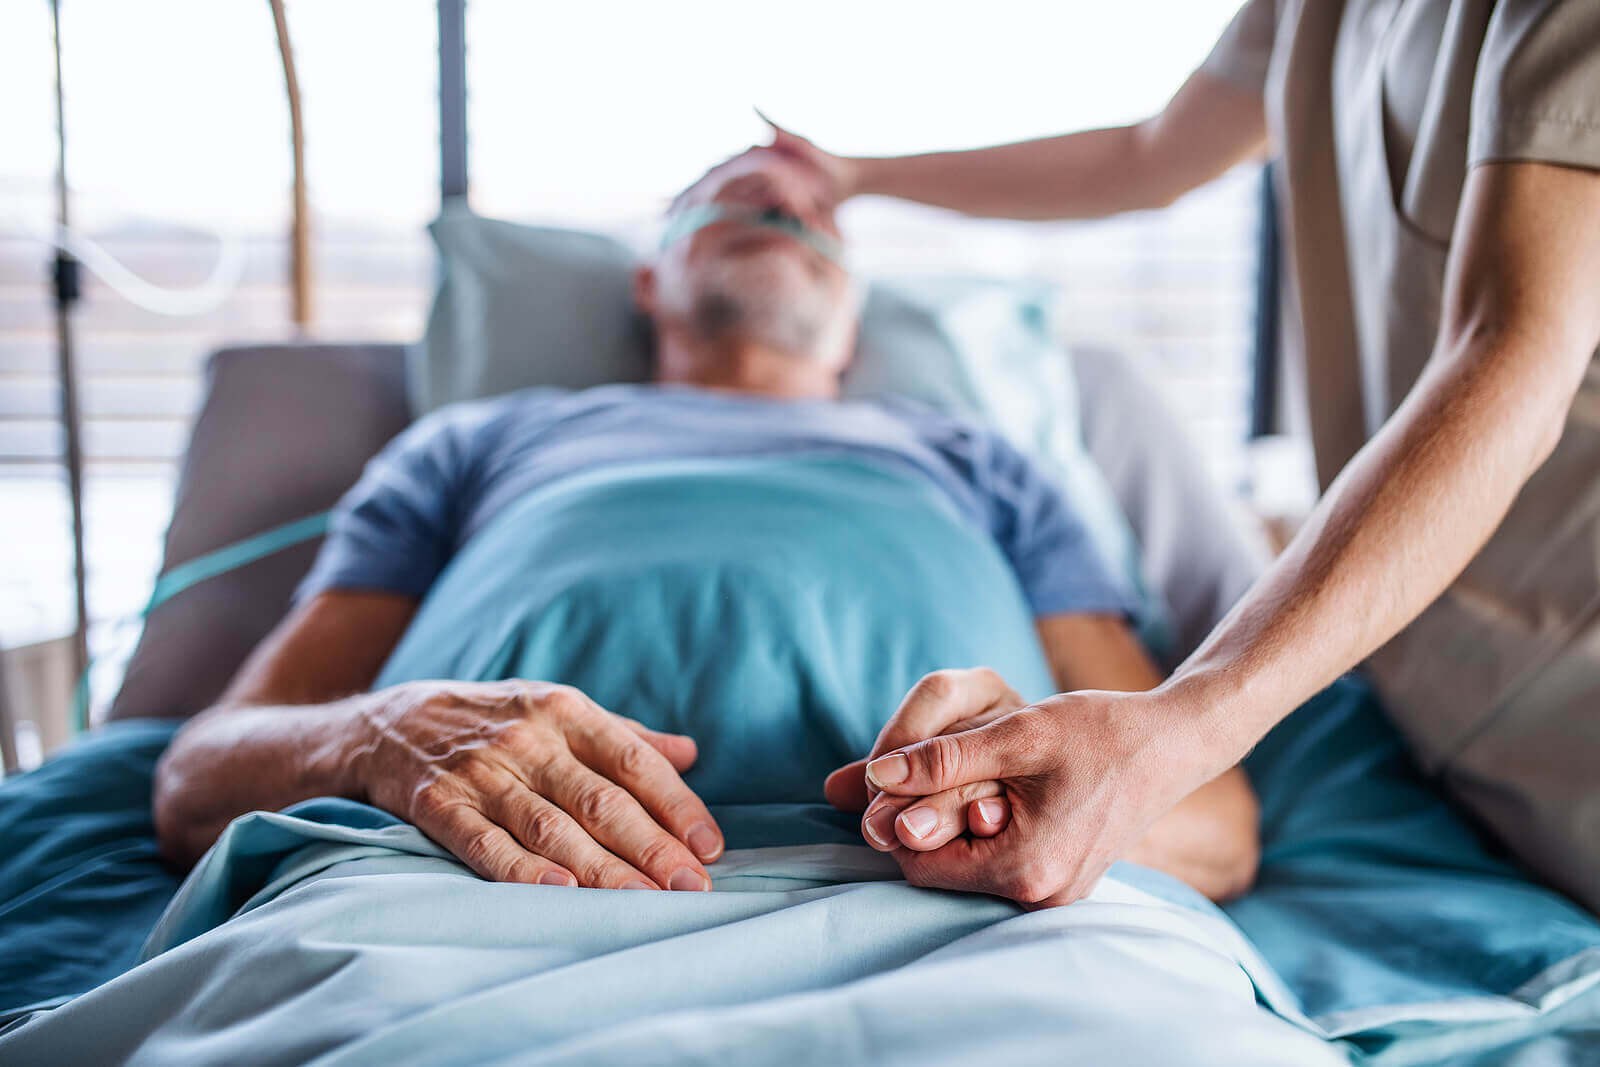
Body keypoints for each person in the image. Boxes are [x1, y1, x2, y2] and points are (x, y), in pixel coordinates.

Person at [151, 147, 1261, 903]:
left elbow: (1214, 824)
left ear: (852, 309)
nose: (784, 204)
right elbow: (198, 779)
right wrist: (375, 734)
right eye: (737, 195)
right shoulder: (477, 441)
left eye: (816, 213)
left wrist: (1038, 784)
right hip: (461, 895)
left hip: (948, 912)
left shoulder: (982, 461)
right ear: (650, 278)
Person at [776, 0, 1600, 912]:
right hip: (1427, 683)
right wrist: (852, 173)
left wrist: (1179, 726)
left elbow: (1511, 358)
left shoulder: (987, 465)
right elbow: (1151, 154)